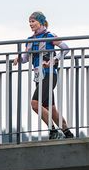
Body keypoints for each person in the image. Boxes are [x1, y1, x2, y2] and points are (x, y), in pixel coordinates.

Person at [13, 11, 74, 139]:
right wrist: (19, 59)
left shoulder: (49, 36)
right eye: (29, 22)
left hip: (49, 75)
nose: (30, 24)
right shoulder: (29, 40)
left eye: (33, 21)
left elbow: (66, 49)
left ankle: (53, 131)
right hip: (38, 76)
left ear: (40, 22)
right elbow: (26, 58)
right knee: (50, 108)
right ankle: (68, 134)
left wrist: (54, 60)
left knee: (35, 104)